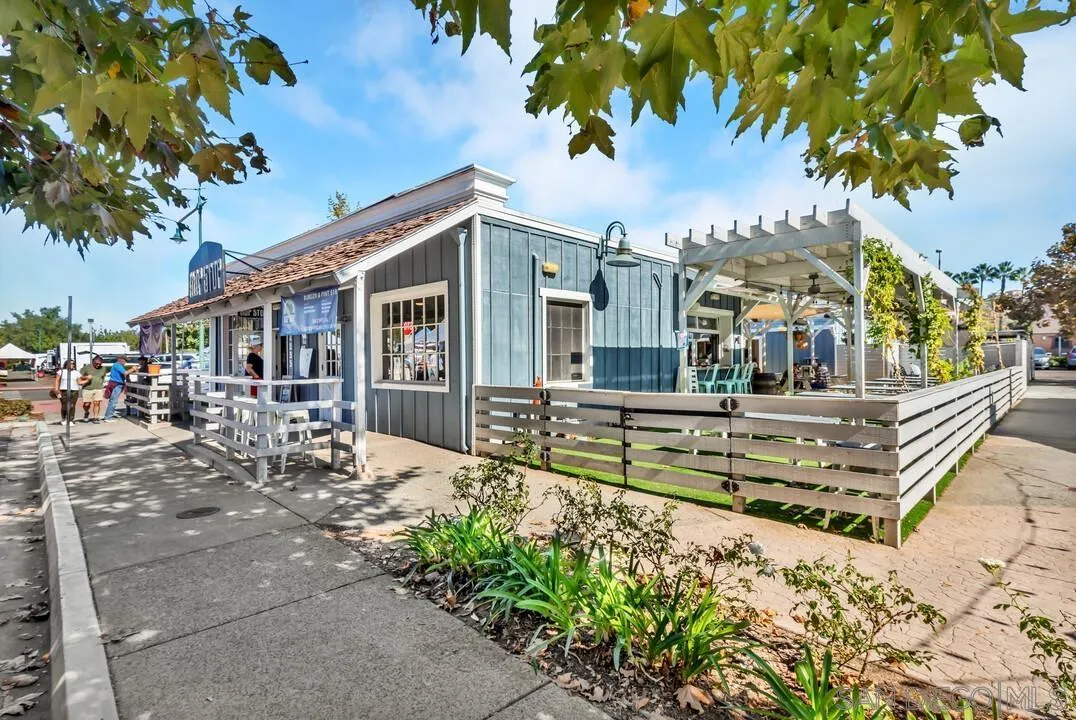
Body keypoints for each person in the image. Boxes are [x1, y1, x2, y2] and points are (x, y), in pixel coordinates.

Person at [102, 354, 135, 422]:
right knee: (113, 401)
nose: (126, 362)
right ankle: (108, 417)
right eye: (125, 360)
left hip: (115, 384)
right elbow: (125, 373)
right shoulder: (117, 365)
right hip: (116, 384)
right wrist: (133, 369)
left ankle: (109, 414)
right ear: (121, 360)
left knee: (113, 401)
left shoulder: (117, 365)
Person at [53, 359, 86, 424]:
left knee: (72, 405)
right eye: (71, 364)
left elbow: (79, 382)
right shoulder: (61, 371)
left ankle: (71, 419)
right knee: (64, 405)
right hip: (63, 390)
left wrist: (88, 380)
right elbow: (57, 380)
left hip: (74, 390)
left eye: (73, 364)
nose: (72, 365)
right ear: (66, 364)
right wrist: (56, 389)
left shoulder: (76, 372)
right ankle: (64, 418)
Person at [80, 355, 109, 422]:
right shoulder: (86, 368)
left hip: (98, 388)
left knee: (97, 403)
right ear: (93, 362)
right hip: (87, 388)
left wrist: (101, 383)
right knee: (87, 404)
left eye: (100, 364)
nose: (98, 365)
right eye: (96, 363)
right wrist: (87, 377)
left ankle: (96, 417)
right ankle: (86, 412)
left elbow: (103, 376)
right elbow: (80, 377)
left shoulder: (103, 369)